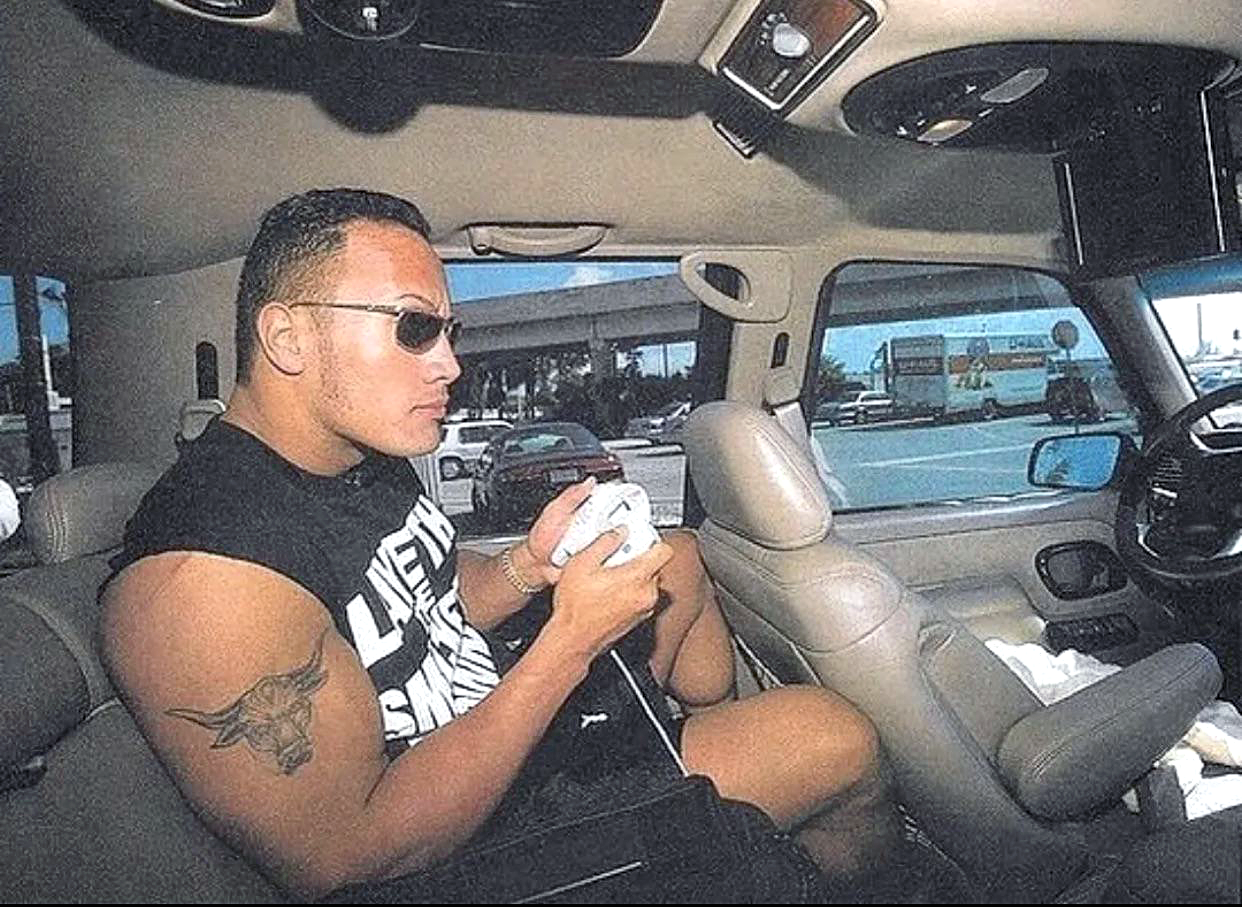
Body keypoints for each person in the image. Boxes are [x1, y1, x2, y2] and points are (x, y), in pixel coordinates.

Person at [100, 188, 910, 901]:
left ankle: (723, 816)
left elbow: (429, 596)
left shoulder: (356, 459)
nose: (450, 363)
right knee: (838, 739)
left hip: (501, 728)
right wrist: (568, 642)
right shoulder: (202, 578)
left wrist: (533, 564)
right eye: (415, 328)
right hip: (465, 850)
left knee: (678, 556)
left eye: (447, 331)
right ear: (287, 337)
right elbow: (354, 856)